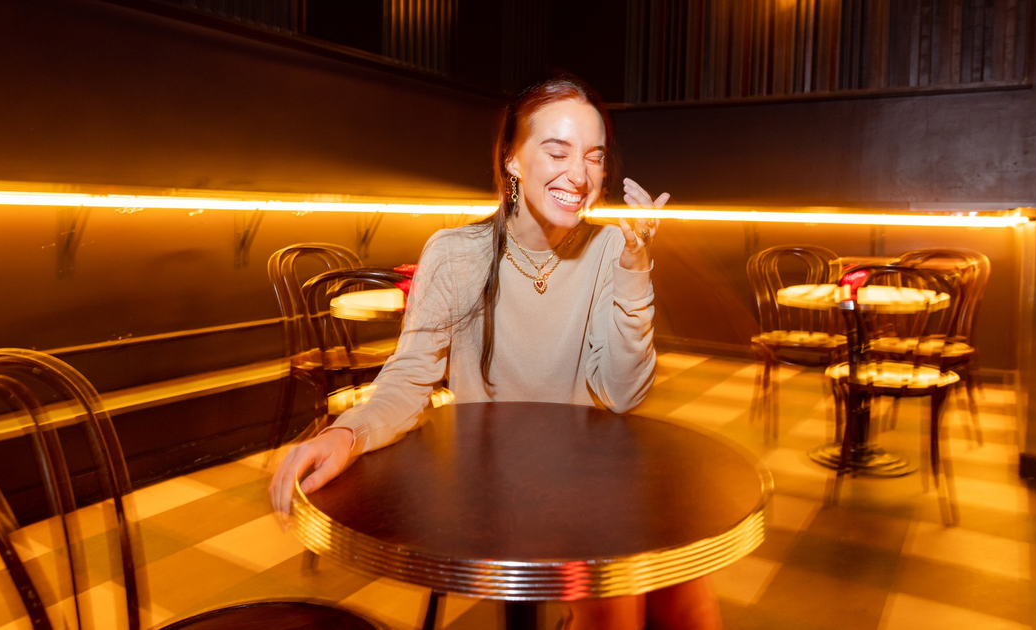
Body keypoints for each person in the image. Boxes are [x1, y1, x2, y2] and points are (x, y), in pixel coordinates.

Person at [270, 77, 720, 629]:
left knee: (685, 587)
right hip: (489, 485)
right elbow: (409, 376)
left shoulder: (611, 249)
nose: (579, 176)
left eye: (594, 157)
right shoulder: (456, 253)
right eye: (557, 151)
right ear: (512, 160)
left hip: (586, 475)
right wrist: (348, 431)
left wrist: (634, 269)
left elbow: (624, 396)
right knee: (619, 595)